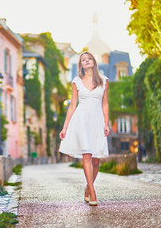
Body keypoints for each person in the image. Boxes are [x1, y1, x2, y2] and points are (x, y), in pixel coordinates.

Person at [59, 51, 110, 206]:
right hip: (81, 120)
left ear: (94, 61)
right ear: (80, 65)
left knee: (96, 160)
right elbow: (72, 105)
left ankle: (88, 187)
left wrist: (106, 123)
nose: (86, 61)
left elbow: (105, 104)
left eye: (89, 59)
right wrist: (65, 127)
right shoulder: (76, 82)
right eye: (83, 60)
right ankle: (93, 192)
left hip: (97, 121)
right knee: (87, 155)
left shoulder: (104, 81)